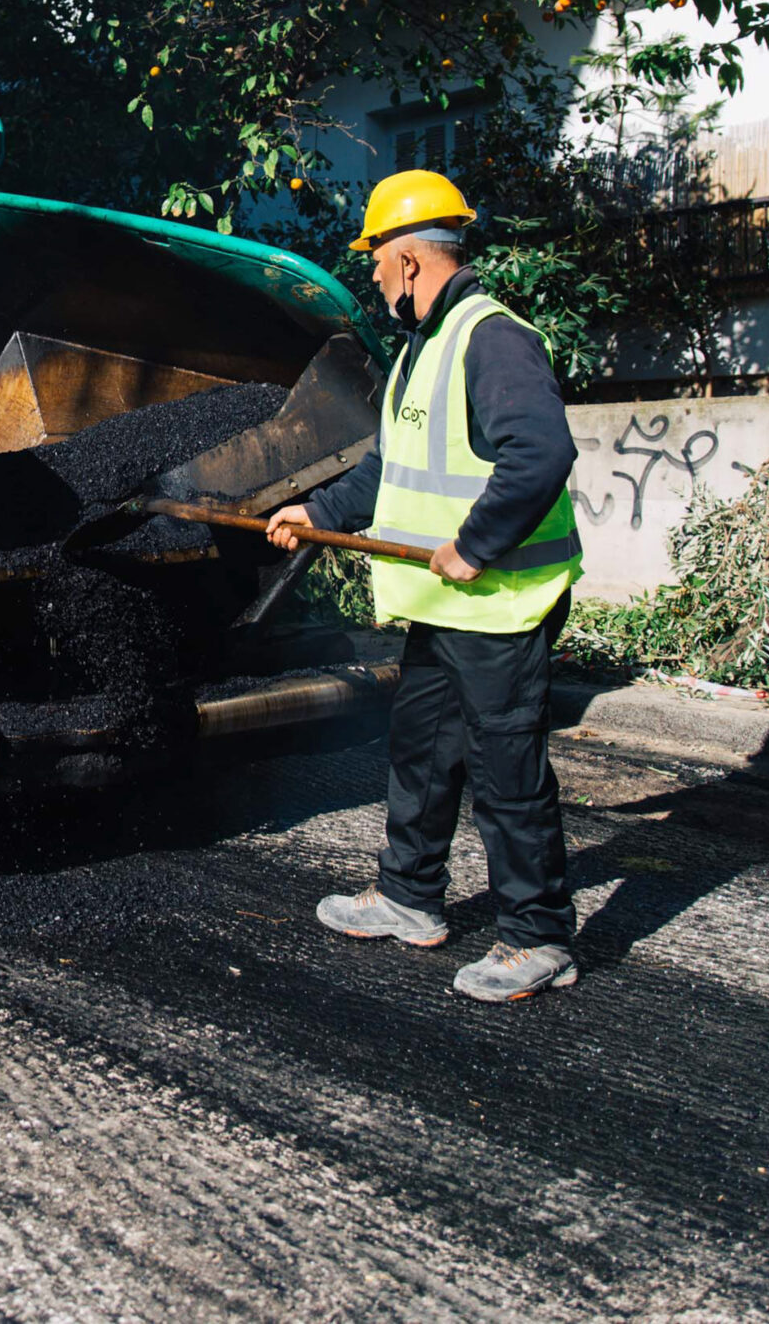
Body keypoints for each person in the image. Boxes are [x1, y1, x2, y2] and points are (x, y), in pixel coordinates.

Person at [266, 170, 585, 1003]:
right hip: (440, 605)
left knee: (506, 771)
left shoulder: (492, 337)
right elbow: (389, 470)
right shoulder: (419, 349)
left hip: (500, 600)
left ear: (408, 260)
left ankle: (538, 934)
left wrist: (475, 546)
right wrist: (315, 508)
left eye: (375, 261)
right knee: (421, 756)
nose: (372, 277)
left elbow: (542, 453)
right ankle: (409, 896)